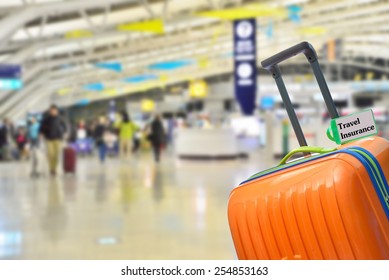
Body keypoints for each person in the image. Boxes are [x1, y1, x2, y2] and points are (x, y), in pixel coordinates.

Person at [39, 105, 67, 176]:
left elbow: (66, 127)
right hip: (49, 139)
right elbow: (42, 128)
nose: (53, 112)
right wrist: (41, 134)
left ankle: (54, 168)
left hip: (58, 139)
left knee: (57, 155)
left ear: (57, 111)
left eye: (54, 110)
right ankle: (51, 169)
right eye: (52, 110)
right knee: (50, 154)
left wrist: (65, 133)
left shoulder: (60, 118)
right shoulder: (46, 119)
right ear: (50, 111)